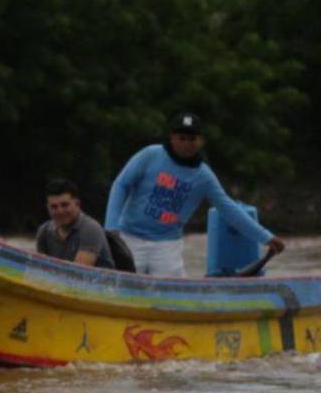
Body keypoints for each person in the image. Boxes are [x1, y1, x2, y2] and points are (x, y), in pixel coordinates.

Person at [105, 111, 285, 277]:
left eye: (192, 139)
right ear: (172, 137)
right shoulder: (150, 155)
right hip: (129, 236)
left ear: (200, 141)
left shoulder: (203, 176)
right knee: (120, 281)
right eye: (182, 138)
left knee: (173, 292)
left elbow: (228, 208)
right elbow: (121, 185)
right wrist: (111, 229)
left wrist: (266, 237)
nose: (186, 144)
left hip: (167, 245)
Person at [35, 178, 115, 268]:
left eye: (65, 205)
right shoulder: (44, 231)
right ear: (48, 208)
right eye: (54, 207)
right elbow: (39, 267)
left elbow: (78, 272)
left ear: (77, 204)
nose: (60, 211)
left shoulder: (91, 229)